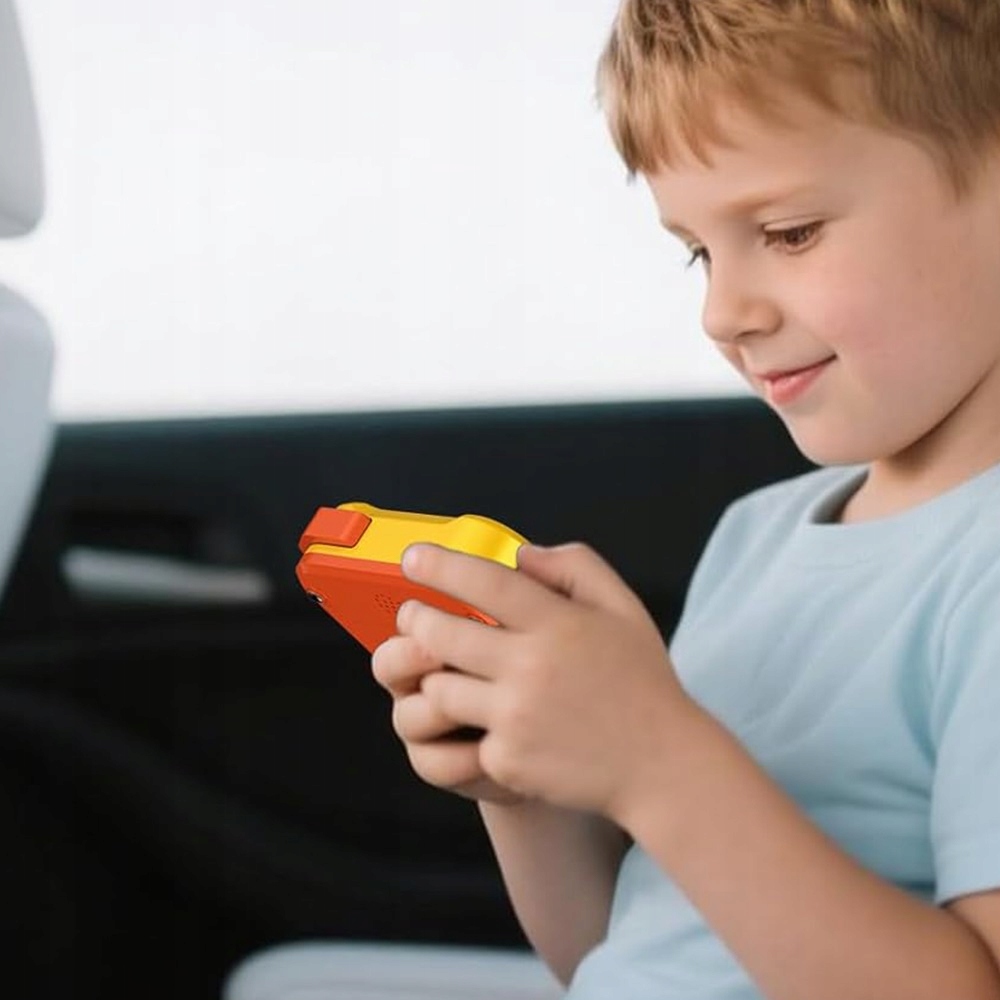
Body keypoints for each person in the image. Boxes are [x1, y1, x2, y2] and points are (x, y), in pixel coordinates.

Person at [371, 1, 1000, 997]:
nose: (722, 312)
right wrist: (531, 779)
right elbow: (628, 958)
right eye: (699, 252)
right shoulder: (756, 540)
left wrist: (654, 759)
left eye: (789, 233)